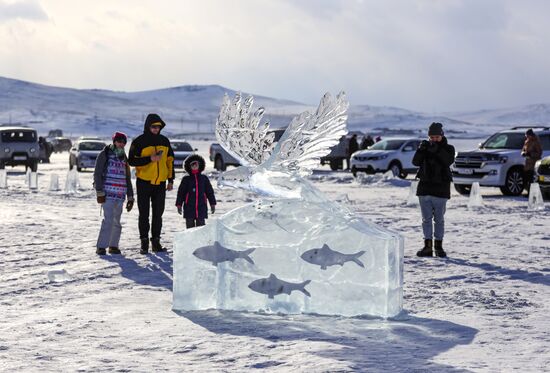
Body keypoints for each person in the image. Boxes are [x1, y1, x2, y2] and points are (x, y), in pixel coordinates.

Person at [128, 114, 175, 254]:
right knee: (144, 214)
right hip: (144, 182)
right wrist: (150, 159)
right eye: (154, 126)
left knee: (158, 214)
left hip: (160, 183)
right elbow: (131, 161)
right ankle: (144, 243)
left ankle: (156, 242)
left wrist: (171, 179)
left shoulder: (165, 141)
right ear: (148, 126)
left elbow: (169, 161)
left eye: (158, 127)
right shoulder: (139, 141)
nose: (156, 129)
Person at [412, 122, 455, 258]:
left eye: (437, 137)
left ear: (442, 135)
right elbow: (415, 162)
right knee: (426, 219)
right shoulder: (425, 147)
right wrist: (421, 150)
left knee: (439, 220)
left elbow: (447, 160)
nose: (434, 139)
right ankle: (427, 247)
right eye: (432, 137)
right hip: (424, 188)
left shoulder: (449, 148)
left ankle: (439, 247)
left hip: (440, 190)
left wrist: (436, 149)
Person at [93, 132, 134, 255]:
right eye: (119, 141)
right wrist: (99, 191)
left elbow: (127, 177)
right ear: (114, 141)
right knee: (108, 219)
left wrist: (130, 196)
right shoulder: (105, 154)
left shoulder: (124, 157)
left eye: (123, 142)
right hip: (107, 193)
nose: (121, 144)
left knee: (117, 221)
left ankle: (113, 245)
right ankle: (101, 246)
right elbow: (97, 173)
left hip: (120, 194)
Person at [176, 155, 216, 228]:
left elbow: (210, 192)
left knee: (200, 227)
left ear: (200, 165)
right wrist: (179, 205)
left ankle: (200, 239)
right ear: (189, 166)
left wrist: (212, 204)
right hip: (189, 207)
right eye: (192, 164)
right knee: (190, 227)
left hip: (201, 207)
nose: (194, 166)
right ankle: (190, 239)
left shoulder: (204, 179)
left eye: (196, 164)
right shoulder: (186, 179)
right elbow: (181, 193)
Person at [521, 128, 542, 193]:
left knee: (532, 180)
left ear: (531, 135)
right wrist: (523, 153)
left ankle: (531, 193)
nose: (527, 137)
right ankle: (528, 192)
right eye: (526, 136)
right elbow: (523, 150)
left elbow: (539, 153)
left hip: (533, 164)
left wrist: (530, 154)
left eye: (527, 135)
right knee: (525, 179)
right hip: (527, 164)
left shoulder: (536, 142)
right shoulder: (526, 141)